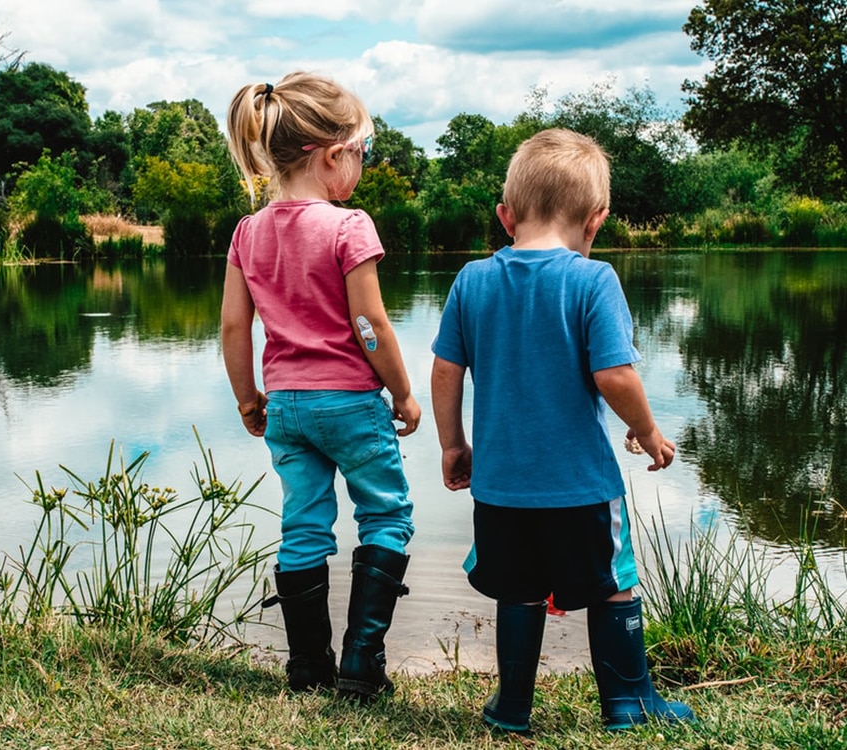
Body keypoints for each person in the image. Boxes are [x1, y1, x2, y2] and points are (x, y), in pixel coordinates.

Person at [430, 128, 696, 733]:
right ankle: (628, 703)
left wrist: (452, 444)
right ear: (596, 220)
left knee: (518, 590)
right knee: (613, 584)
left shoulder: (471, 280)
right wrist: (648, 432)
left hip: (500, 487)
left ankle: (512, 709)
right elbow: (615, 374)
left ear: (506, 216)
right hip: (580, 485)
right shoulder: (592, 280)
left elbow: (446, 370)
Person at [221, 71, 420, 699]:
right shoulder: (348, 225)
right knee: (385, 515)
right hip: (350, 403)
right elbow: (369, 323)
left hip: (286, 406)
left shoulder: (248, 232)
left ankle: (308, 666)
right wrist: (405, 392)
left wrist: (247, 399)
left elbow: (233, 325)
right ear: (333, 155)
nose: (361, 166)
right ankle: (362, 665)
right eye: (361, 152)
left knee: (304, 526)